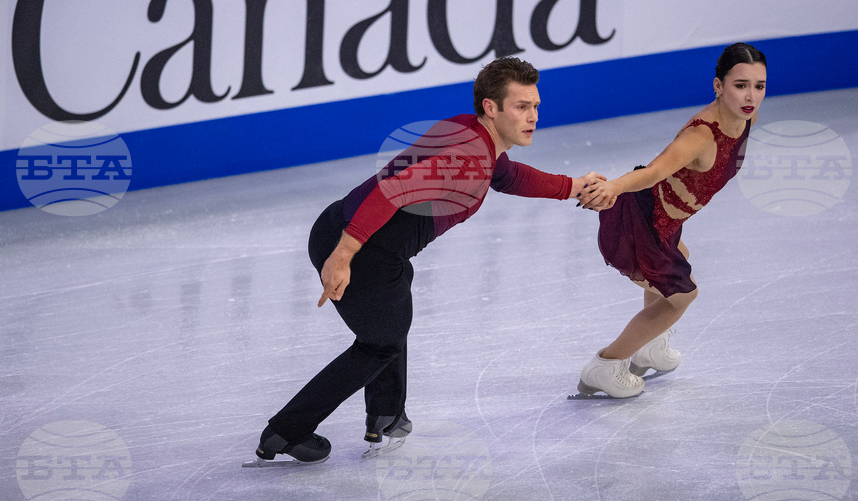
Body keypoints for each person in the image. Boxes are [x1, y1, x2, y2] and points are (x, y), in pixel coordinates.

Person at [254, 57, 602, 464]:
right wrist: (343, 257)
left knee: (393, 314)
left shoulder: (474, 135)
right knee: (380, 343)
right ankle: (285, 432)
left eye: (536, 106)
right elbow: (390, 191)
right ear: (491, 107)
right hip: (361, 248)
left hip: (350, 232)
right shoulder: (468, 160)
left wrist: (573, 186)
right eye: (521, 107)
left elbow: (508, 176)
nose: (533, 117)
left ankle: (385, 415)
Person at [574, 43, 767, 398]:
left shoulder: (746, 119)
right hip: (642, 218)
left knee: (676, 268)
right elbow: (653, 172)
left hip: (665, 220)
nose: (751, 96)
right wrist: (612, 187)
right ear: (718, 86)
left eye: (759, 86)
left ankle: (650, 347)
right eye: (740, 85)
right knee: (681, 295)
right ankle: (605, 366)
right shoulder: (702, 135)